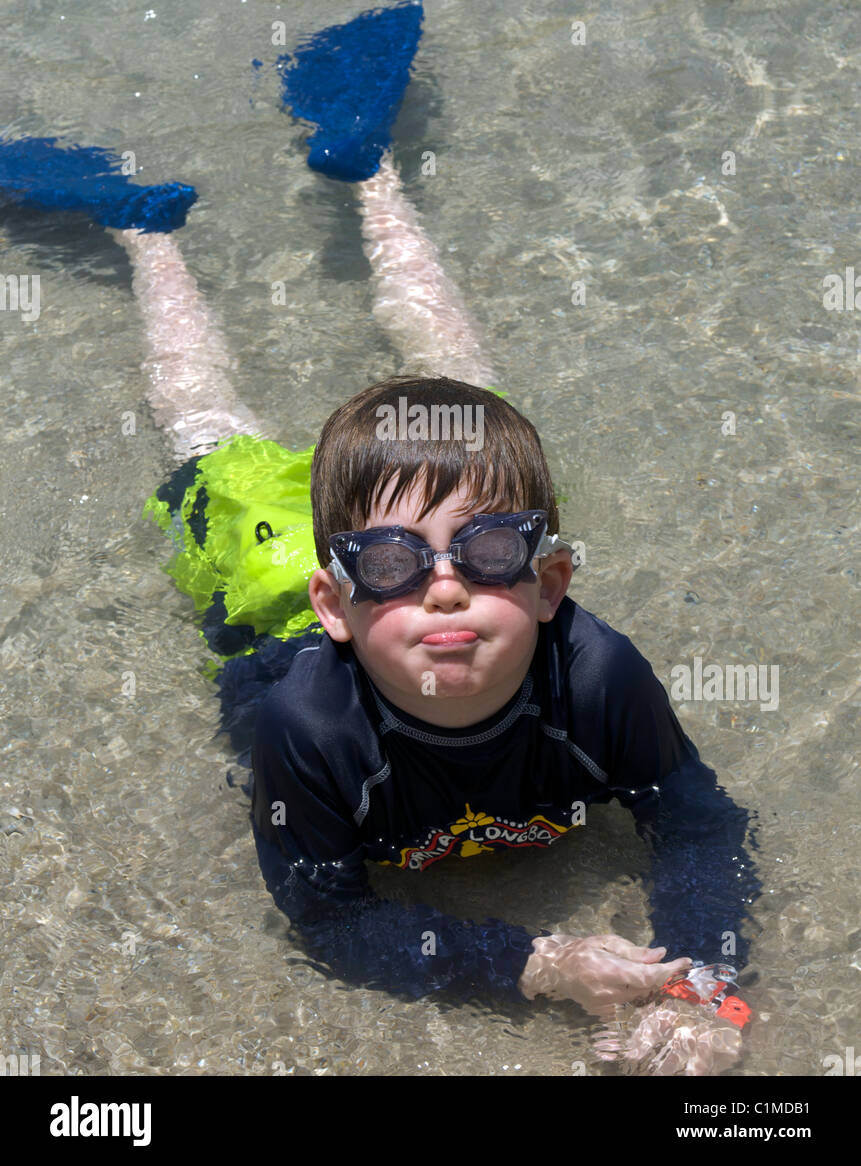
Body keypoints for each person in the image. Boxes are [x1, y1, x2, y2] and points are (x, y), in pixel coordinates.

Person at [128, 150, 759, 1076]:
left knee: (462, 398)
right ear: (336, 604)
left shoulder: (596, 676)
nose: (444, 585)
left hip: (395, 540)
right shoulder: (306, 729)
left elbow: (700, 824)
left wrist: (703, 984)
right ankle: (147, 234)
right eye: (391, 565)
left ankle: (372, 177)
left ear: (549, 585)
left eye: (492, 552)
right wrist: (537, 965)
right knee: (205, 432)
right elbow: (326, 912)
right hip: (269, 603)